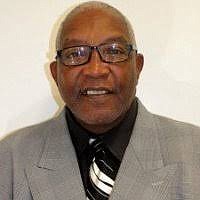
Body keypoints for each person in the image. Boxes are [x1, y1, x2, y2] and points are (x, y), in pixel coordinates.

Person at [1, 1, 200, 200]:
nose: (95, 70)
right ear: (56, 73)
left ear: (137, 67)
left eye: (114, 51)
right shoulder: (10, 160)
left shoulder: (194, 153)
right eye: (75, 53)